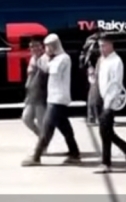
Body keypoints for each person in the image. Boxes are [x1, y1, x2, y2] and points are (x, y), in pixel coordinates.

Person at [22, 34, 81, 167]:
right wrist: (41, 59)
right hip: (53, 98)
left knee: (47, 129)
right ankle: (75, 153)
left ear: (54, 46)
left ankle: (36, 157)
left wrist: (46, 58)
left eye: (48, 46)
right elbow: (42, 66)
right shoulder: (52, 58)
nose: (46, 49)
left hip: (58, 98)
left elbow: (52, 70)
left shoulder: (63, 58)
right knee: (65, 129)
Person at [94, 34, 126, 173]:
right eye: (100, 46)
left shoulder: (116, 61)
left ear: (111, 45)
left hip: (110, 101)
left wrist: (108, 103)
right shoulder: (103, 60)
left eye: (104, 46)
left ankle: (106, 162)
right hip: (101, 98)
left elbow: (116, 84)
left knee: (104, 132)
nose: (101, 49)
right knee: (106, 131)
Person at [21, 38, 47, 138]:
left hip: (41, 96)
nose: (34, 48)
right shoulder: (33, 59)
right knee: (26, 118)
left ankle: (42, 146)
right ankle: (41, 137)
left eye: (36, 45)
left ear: (42, 47)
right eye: (31, 46)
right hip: (31, 95)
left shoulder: (45, 59)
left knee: (41, 122)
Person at [80, 32, 101, 125]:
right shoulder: (95, 43)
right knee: (95, 94)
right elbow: (93, 57)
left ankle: (91, 116)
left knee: (92, 93)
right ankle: (94, 117)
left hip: (90, 69)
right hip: (94, 69)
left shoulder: (88, 41)